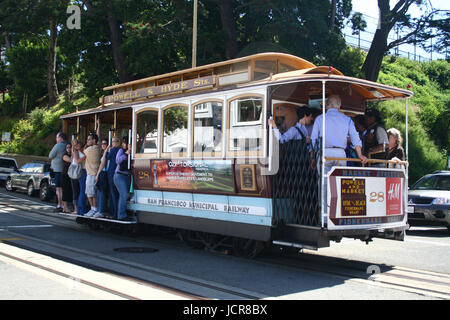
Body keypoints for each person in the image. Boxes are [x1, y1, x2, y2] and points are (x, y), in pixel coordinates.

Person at [311, 95, 367, 212]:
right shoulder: (347, 120)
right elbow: (355, 139)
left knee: (324, 184)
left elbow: (313, 139)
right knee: (340, 183)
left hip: (325, 153)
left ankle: (324, 216)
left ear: (326, 106)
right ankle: (338, 214)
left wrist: (312, 156)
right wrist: (360, 155)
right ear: (339, 107)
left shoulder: (320, 119)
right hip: (341, 154)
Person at [97, 136, 120, 219]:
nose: (112, 143)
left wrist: (106, 150)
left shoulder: (115, 149)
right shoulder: (118, 149)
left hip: (111, 173)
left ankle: (114, 213)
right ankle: (113, 212)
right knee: (112, 194)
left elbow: (108, 157)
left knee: (113, 194)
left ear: (117, 142)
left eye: (113, 141)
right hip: (113, 173)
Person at [114, 136, 133, 221]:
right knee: (124, 194)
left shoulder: (133, 152)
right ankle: (121, 215)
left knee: (126, 195)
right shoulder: (121, 151)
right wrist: (126, 154)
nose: (125, 144)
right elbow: (117, 161)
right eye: (124, 143)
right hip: (119, 175)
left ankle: (123, 214)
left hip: (128, 176)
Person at [49, 132, 67, 212]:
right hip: (64, 170)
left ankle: (60, 205)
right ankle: (64, 205)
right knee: (63, 189)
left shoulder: (58, 145)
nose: (56, 139)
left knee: (58, 189)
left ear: (60, 138)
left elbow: (51, 155)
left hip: (57, 169)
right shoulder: (66, 145)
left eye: (57, 137)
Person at [84, 132, 101, 217]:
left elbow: (82, 151)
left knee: (90, 193)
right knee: (92, 193)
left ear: (94, 140)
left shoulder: (91, 149)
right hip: (93, 173)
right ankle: (94, 209)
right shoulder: (98, 148)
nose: (87, 141)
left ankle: (93, 209)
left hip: (91, 174)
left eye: (89, 139)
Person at [94, 138, 109, 218]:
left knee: (102, 192)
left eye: (105, 143)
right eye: (102, 144)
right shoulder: (103, 152)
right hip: (101, 173)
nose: (103, 145)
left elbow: (102, 164)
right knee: (99, 192)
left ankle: (101, 210)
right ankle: (99, 209)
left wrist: (97, 175)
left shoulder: (107, 153)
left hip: (104, 173)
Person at [72, 139, 87, 215]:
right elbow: (77, 161)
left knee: (83, 190)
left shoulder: (82, 149)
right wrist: (85, 157)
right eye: (75, 145)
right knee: (82, 190)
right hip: (81, 171)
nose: (77, 145)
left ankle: (81, 209)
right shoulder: (75, 152)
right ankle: (81, 209)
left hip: (85, 170)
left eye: (77, 143)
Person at [61, 143, 73, 213]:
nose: (68, 149)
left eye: (70, 147)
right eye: (67, 147)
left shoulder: (73, 154)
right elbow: (71, 160)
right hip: (64, 175)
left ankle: (67, 207)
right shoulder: (65, 156)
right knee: (65, 191)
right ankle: (64, 207)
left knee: (69, 191)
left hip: (70, 175)